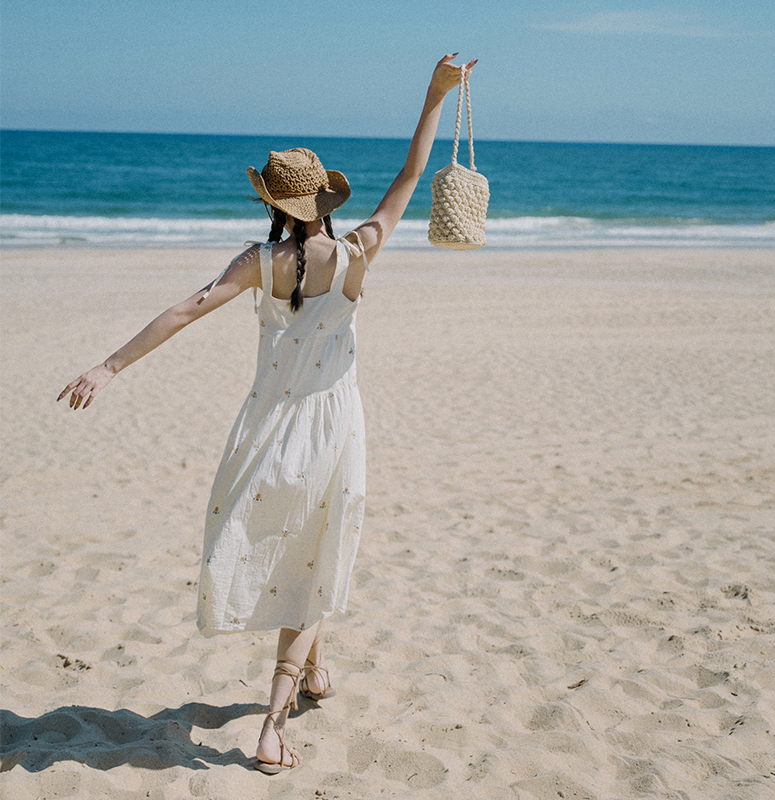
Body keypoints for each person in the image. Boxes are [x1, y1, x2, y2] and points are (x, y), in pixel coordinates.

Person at [58, 53, 478, 774]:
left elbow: (186, 310)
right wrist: (434, 95)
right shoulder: (358, 253)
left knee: (301, 549)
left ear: (272, 206)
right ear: (323, 201)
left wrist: (109, 365)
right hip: (335, 426)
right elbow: (410, 177)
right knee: (320, 558)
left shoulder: (259, 260)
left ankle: (314, 673)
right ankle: (273, 726)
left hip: (267, 428)